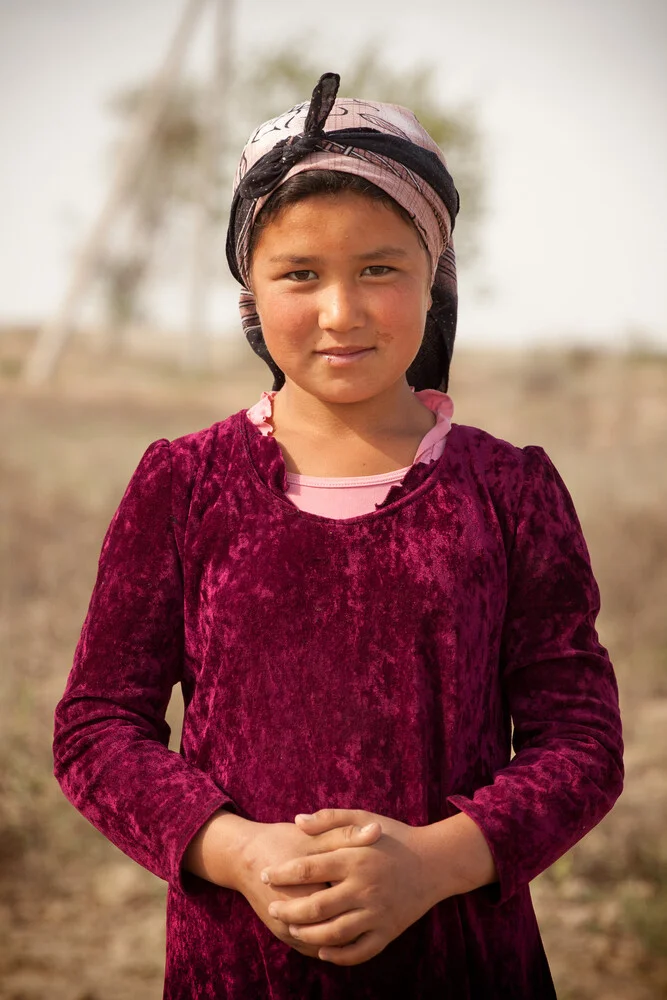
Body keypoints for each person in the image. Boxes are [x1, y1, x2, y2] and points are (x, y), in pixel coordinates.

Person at [52, 73, 624, 999]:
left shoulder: (509, 489)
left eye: (379, 269)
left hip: (462, 962)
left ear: (433, 281)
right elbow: (97, 728)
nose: (340, 311)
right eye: (299, 274)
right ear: (250, 289)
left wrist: (437, 861)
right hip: (235, 967)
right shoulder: (183, 483)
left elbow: (580, 742)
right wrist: (235, 851)